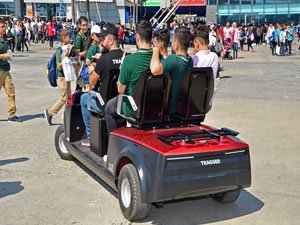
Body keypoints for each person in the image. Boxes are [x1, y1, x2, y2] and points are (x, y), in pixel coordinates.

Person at [105, 20, 153, 135]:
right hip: (153, 105)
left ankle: (114, 143)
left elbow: (120, 90)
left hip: (133, 107)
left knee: (108, 108)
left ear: (137, 37)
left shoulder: (129, 60)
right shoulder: (159, 60)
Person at [80, 23, 124, 147]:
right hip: (119, 102)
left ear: (111, 40)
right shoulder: (125, 56)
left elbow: (91, 82)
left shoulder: (104, 59)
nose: (101, 41)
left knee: (84, 99)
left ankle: (90, 136)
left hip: (104, 103)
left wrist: (93, 67)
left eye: (103, 39)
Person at [151, 26, 193, 115]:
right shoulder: (190, 60)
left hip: (171, 109)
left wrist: (156, 49)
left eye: (173, 40)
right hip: (183, 107)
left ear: (176, 45)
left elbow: (154, 70)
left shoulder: (174, 59)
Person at [44, 29, 75, 125]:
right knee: (63, 98)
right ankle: (50, 113)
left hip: (67, 76)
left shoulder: (67, 49)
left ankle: (67, 117)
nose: (69, 38)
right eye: (68, 37)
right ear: (63, 38)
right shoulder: (59, 51)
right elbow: (59, 66)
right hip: (61, 78)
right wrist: (65, 57)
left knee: (69, 98)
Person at [0, 18, 22, 122]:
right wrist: (3, 56)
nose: (4, 28)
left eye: (4, 26)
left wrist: (9, 55)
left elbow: (7, 51)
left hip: (6, 69)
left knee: (11, 91)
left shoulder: (4, 39)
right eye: (2, 27)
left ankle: (12, 115)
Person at [74, 16, 88, 84]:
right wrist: (86, 52)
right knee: (80, 85)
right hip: (80, 65)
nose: (85, 27)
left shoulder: (84, 36)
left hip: (83, 64)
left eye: (86, 25)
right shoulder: (79, 38)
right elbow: (76, 54)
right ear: (79, 25)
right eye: (83, 25)